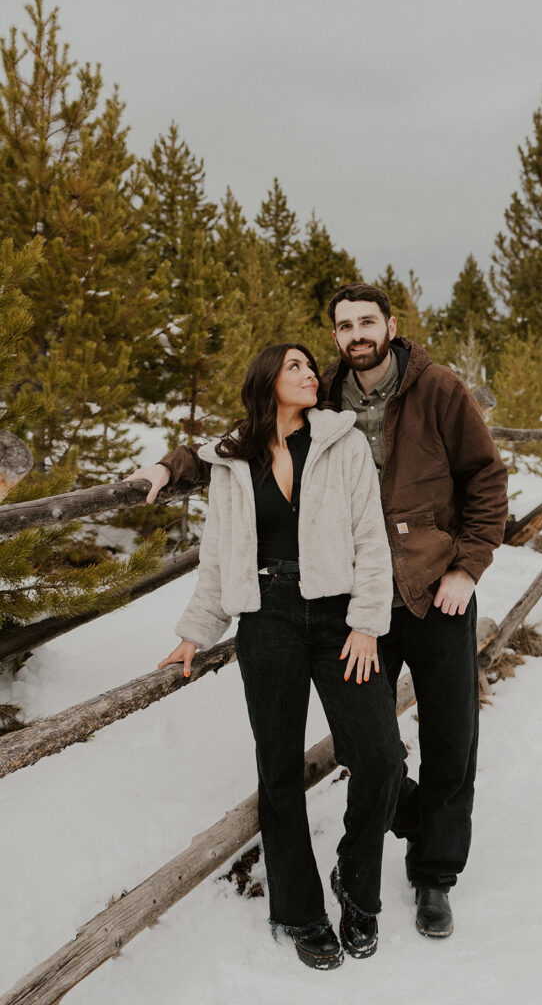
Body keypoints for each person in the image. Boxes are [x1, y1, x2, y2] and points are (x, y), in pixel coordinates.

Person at [133, 285, 509, 940]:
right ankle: (414, 823)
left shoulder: (439, 390)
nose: (356, 333)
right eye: (344, 325)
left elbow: (485, 481)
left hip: (430, 590)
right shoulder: (323, 391)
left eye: (368, 322)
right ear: (334, 334)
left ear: (391, 325)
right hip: (352, 604)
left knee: (450, 740)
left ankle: (432, 876)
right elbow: (243, 438)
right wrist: (169, 465)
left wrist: (465, 566)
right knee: (375, 746)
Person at [131, 343, 405, 970]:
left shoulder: (343, 442)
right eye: (296, 367)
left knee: (381, 757)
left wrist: (366, 624)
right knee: (278, 769)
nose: (311, 374)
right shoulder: (233, 457)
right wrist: (196, 630)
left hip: (339, 616)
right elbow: (218, 556)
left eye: (312, 367)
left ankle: (357, 886)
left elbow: (370, 538)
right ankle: (300, 912)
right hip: (267, 616)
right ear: (267, 381)